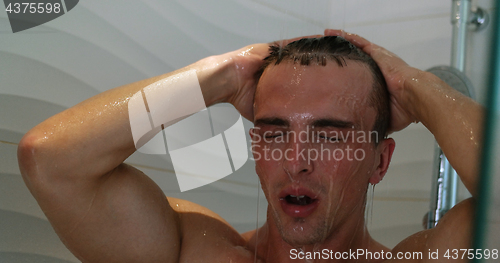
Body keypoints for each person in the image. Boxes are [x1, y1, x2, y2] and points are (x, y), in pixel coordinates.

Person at [18, 29, 482, 262]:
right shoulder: (194, 250)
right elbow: (52, 159)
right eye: (275, 133)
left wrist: (416, 88)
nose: (296, 163)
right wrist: (217, 78)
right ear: (256, 147)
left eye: (329, 135)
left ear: (379, 161)